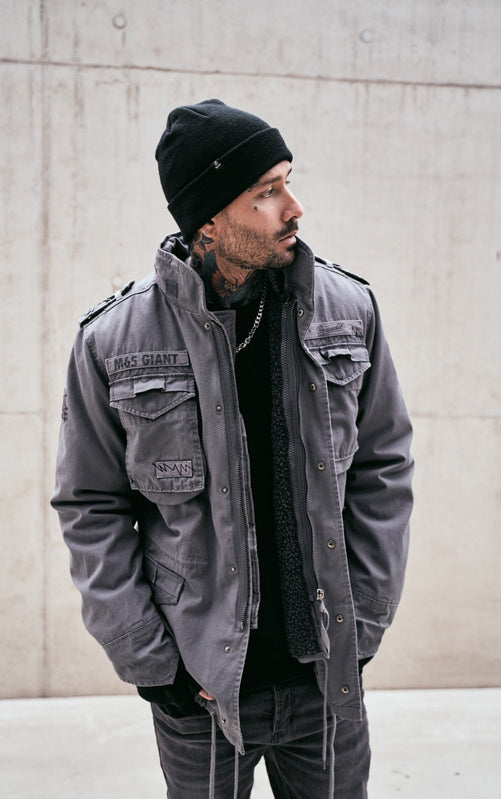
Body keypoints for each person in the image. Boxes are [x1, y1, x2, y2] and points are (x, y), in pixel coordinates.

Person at [52, 99, 414, 799]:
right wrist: (156, 667)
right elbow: (89, 505)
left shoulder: (349, 311)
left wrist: (363, 623)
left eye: (287, 181)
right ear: (209, 221)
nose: (294, 207)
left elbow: (383, 469)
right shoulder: (113, 340)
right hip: (202, 690)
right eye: (267, 192)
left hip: (325, 680)